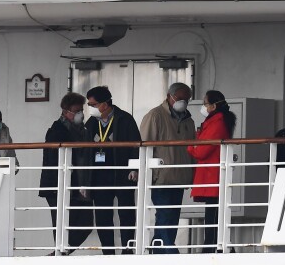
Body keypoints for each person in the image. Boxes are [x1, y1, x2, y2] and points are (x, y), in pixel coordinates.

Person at [83, 86, 141, 255]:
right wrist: (85, 179)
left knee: (127, 214)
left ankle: (127, 252)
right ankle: (108, 253)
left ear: (106, 104)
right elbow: (84, 152)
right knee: (102, 217)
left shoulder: (125, 119)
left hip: (122, 173)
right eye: (89, 105)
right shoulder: (91, 122)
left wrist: (134, 167)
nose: (91, 108)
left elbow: (135, 144)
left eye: (94, 105)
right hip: (99, 176)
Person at [140, 83, 196, 254]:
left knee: (172, 218)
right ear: (169, 96)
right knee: (164, 216)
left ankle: (158, 253)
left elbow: (192, 148)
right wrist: (146, 174)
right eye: (179, 99)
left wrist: (192, 173)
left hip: (179, 178)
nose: (183, 102)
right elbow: (143, 146)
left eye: (186, 99)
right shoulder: (155, 116)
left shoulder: (189, 121)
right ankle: (171, 253)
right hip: (161, 178)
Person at [38, 93, 93, 254]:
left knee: (85, 223)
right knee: (61, 225)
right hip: (58, 187)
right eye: (77, 111)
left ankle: (60, 254)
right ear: (66, 111)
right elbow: (54, 160)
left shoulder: (83, 130)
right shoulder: (56, 131)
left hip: (77, 186)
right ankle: (59, 254)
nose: (80, 114)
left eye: (81, 110)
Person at [187, 90, 236, 253]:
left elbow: (201, 151)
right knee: (214, 214)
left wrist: (190, 145)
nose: (203, 107)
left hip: (212, 175)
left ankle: (210, 249)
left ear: (214, 106)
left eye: (205, 104)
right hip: (213, 174)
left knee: (213, 215)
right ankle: (214, 248)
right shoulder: (217, 122)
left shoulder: (216, 123)